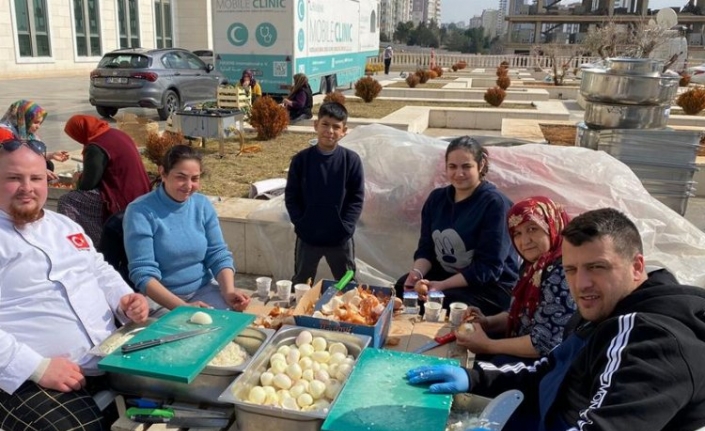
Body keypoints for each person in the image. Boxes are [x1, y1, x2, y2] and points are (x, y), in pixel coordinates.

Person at [407, 208, 705, 431]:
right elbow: (548, 369)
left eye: (597, 267)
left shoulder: (654, 342)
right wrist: (474, 378)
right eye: (571, 270)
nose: (582, 283)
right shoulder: (603, 310)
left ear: (637, 266)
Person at [0, 139, 149, 430]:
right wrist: (37, 367)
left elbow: (98, 269)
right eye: (14, 178)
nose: (27, 187)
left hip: (108, 358)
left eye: (36, 178)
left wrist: (125, 299)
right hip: (30, 380)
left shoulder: (64, 225)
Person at [396, 136, 519, 316]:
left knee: (444, 302)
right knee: (402, 289)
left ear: (481, 165)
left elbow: (488, 268)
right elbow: (427, 248)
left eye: (466, 166)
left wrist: (441, 286)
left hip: (489, 286)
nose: (459, 173)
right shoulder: (436, 199)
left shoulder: (495, 205)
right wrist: (417, 275)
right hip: (446, 275)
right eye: (452, 167)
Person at [123, 145, 251, 316]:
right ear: (163, 173)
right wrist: (182, 308)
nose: (189, 186)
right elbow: (143, 274)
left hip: (204, 290)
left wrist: (228, 291)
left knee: (235, 327)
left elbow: (217, 253)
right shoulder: (140, 211)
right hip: (162, 300)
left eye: (195, 178)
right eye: (181, 177)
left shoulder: (202, 205)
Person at [457, 196, 576, 365]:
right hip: (524, 349)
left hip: (547, 365)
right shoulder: (533, 266)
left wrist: (488, 345)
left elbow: (542, 344)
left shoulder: (562, 271)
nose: (524, 241)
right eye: (517, 233)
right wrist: (487, 322)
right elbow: (519, 315)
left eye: (532, 229)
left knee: (482, 368)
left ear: (552, 226)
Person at [284, 102, 364, 285]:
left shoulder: (351, 161)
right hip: (308, 236)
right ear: (316, 125)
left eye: (336, 127)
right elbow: (291, 197)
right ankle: (299, 311)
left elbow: (356, 199)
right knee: (302, 282)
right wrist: (301, 222)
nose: (330, 131)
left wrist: (346, 227)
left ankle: (349, 313)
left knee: (347, 283)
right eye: (325, 124)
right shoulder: (301, 161)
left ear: (344, 130)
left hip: (339, 238)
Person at [58, 114, 152, 245]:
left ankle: (87, 243)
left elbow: (88, 184)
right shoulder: (115, 133)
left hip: (121, 197)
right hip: (141, 190)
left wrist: (78, 179)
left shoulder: (96, 146)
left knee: (67, 201)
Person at [0, 99, 69, 181]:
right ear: (23, 119)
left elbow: (30, 155)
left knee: (48, 164)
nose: (38, 127)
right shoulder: (4, 133)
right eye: (35, 122)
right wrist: (38, 171)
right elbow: (11, 161)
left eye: (40, 123)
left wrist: (52, 155)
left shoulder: (27, 134)